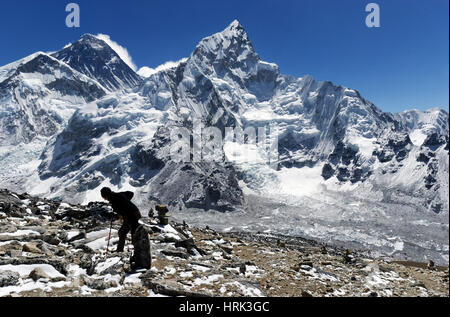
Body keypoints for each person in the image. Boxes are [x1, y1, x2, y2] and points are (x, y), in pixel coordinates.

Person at [101, 187, 151, 270]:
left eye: (104, 197)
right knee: (122, 232)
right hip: (134, 214)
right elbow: (130, 193)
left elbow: (120, 209)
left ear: (105, 196)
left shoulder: (114, 199)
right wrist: (127, 202)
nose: (105, 199)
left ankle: (138, 257)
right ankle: (120, 251)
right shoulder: (118, 195)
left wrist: (121, 213)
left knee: (134, 234)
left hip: (131, 217)